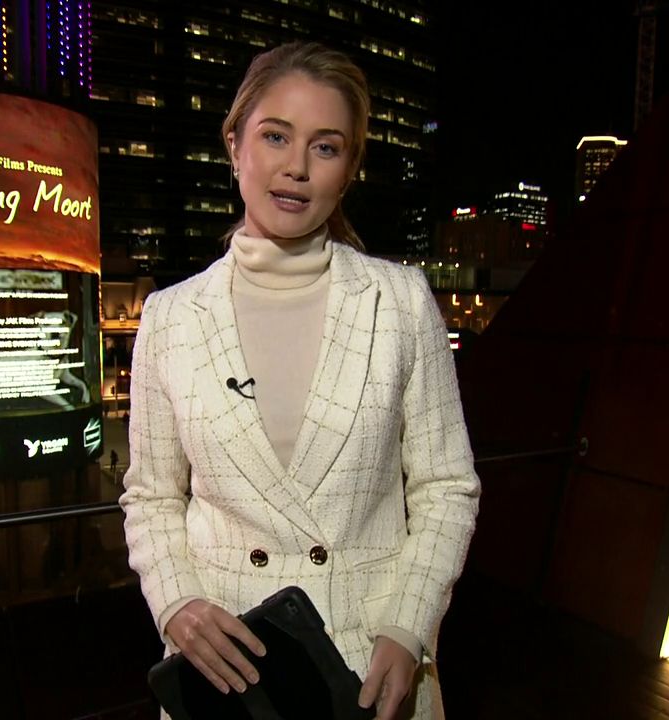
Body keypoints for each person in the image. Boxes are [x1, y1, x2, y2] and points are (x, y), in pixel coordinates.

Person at [119, 42, 481, 720]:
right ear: (235, 145)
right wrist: (176, 604)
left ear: (349, 170)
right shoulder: (170, 317)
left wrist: (408, 627)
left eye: (326, 147)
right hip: (229, 666)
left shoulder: (400, 301)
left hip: (372, 659)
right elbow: (152, 495)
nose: (296, 167)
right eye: (275, 136)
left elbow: (446, 487)